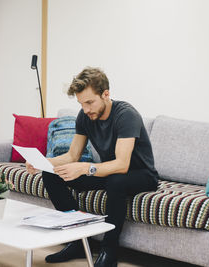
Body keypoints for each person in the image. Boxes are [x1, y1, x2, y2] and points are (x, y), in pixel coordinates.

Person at [25, 67, 158, 267]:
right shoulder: (85, 116)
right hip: (108, 172)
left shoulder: (126, 115)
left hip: (140, 174)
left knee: (116, 181)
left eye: (90, 102)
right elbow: (72, 155)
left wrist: (86, 168)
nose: (86, 109)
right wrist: (44, 162)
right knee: (51, 175)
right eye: (81, 104)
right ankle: (78, 241)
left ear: (106, 94)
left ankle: (109, 251)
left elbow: (122, 165)